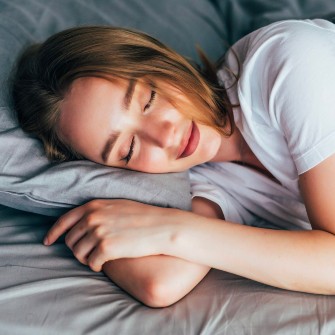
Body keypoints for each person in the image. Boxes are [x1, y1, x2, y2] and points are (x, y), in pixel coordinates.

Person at [12, 18, 335, 308]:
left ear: (161, 60)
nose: (164, 137)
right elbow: (160, 284)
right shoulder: (206, 179)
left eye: (148, 100)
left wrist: (173, 229)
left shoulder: (289, 60)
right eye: (128, 150)